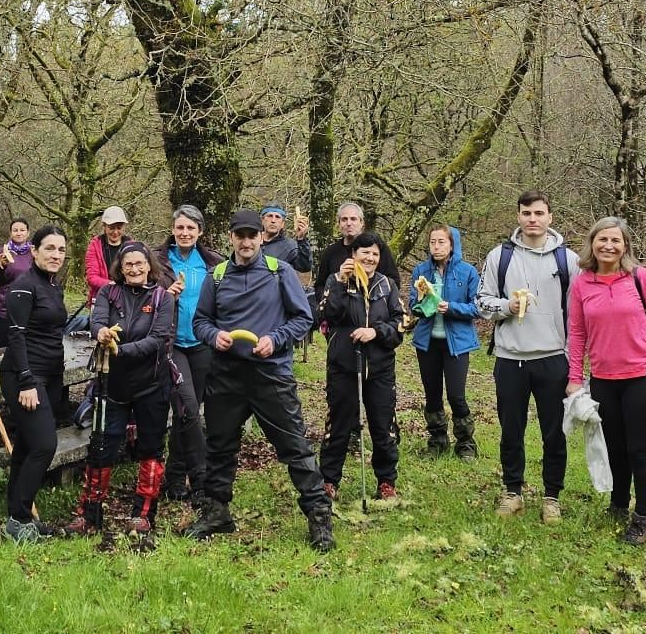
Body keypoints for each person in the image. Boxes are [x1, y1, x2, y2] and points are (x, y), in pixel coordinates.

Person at [185, 209, 333, 552]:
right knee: (219, 446)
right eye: (241, 235)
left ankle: (319, 515)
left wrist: (276, 339)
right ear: (232, 237)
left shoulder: (279, 272)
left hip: (271, 376)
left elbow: (303, 319)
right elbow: (201, 321)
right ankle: (216, 511)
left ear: (260, 238)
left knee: (295, 446)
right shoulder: (217, 275)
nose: (247, 241)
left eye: (252, 235)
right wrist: (214, 336)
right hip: (226, 376)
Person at [565, 216, 646, 546]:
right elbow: (577, 332)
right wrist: (574, 376)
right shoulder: (583, 283)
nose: (608, 246)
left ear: (625, 245)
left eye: (615, 240)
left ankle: (643, 518)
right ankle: (618, 504)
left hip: (645, 376)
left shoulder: (640, 279)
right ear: (592, 244)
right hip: (603, 379)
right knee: (614, 449)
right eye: (602, 240)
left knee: (639, 450)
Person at [477, 191, 578, 521]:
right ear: (518, 217)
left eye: (538, 213)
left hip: (552, 357)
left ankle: (552, 496)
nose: (532, 219)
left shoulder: (569, 261)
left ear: (550, 217)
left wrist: (575, 359)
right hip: (510, 358)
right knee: (511, 429)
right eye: (526, 213)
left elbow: (579, 312)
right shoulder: (499, 257)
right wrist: (506, 307)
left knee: (554, 432)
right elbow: (481, 302)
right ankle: (512, 491)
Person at [66, 242, 177, 535]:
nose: (134, 269)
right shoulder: (108, 293)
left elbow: (158, 338)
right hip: (111, 385)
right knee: (102, 446)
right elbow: (97, 321)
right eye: (128, 264)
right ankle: (89, 513)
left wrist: (121, 351)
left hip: (152, 383)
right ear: (120, 267)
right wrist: (100, 332)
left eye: (139, 263)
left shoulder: (162, 298)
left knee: (151, 448)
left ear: (149, 265)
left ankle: (143, 514)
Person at [316, 234, 405, 502]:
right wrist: (342, 284)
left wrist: (375, 332)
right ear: (353, 254)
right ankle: (329, 480)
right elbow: (325, 315)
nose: (369, 258)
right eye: (364, 252)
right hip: (344, 365)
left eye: (375, 254)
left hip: (379, 368)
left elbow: (400, 324)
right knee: (339, 424)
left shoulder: (387, 285)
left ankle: (386, 481)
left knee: (383, 424)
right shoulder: (336, 280)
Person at [0, 225, 73, 542]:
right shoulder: (23, 286)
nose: (56, 255)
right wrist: (27, 380)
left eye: (61, 250)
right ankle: (18, 519)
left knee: (28, 446)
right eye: (50, 248)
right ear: (35, 251)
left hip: (51, 375)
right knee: (45, 445)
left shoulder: (52, 286)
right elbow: (15, 335)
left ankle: (19, 515)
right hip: (24, 376)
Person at [156, 204, 221, 506]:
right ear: (173, 230)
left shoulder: (213, 264)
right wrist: (166, 298)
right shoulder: (157, 261)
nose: (184, 233)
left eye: (190, 228)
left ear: (200, 232)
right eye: (180, 228)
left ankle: (173, 478)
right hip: (172, 345)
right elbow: (143, 295)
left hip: (202, 344)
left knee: (187, 413)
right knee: (190, 409)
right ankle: (200, 479)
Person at [408, 225, 481, 459]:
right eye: (432, 242)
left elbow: (477, 307)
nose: (436, 247)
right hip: (428, 343)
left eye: (441, 242)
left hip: (457, 343)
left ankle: (466, 443)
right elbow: (413, 306)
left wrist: (451, 308)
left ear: (452, 245)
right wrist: (422, 304)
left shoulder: (467, 272)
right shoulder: (421, 271)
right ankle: (437, 440)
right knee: (432, 394)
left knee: (456, 395)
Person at [315, 201, 398, 284]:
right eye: (344, 219)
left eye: (353, 219)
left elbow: (393, 282)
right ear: (338, 224)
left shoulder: (377, 249)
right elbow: (320, 285)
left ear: (362, 223)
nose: (349, 223)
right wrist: (337, 281)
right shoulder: (331, 252)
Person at [0, 218, 35, 330]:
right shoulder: (1, 252)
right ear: (10, 233)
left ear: (28, 233)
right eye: (15, 230)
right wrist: (2, 266)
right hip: (5, 311)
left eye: (22, 230)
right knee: (3, 347)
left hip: (29, 310)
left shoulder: (35, 253)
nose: (19, 233)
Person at [84, 206, 134, 292]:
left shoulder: (132, 246)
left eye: (119, 228)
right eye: (111, 228)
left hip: (127, 295)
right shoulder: (95, 246)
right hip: (102, 295)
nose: (115, 232)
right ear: (104, 226)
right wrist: (113, 286)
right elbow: (92, 277)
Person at [258, 204, 313, 272]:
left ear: (282, 224)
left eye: (277, 217)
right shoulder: (252, 241)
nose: (273, 220)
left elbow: (305, 267)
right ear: (262, 220)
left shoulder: (290, 246)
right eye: (270, 216)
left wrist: (301, 239)